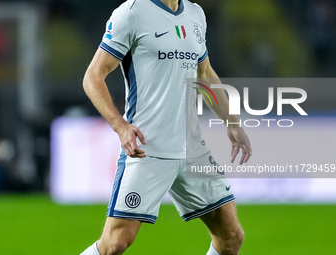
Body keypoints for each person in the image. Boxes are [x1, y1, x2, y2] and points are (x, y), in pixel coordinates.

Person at [81, 0, 252, 254]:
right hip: (148, 148)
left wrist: (232, 123)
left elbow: (204, 73)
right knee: (114, 244)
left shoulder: (195, 14)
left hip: (192, 149)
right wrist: (120, 126)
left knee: (231, 237)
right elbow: (93, 76)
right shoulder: (131, 13)